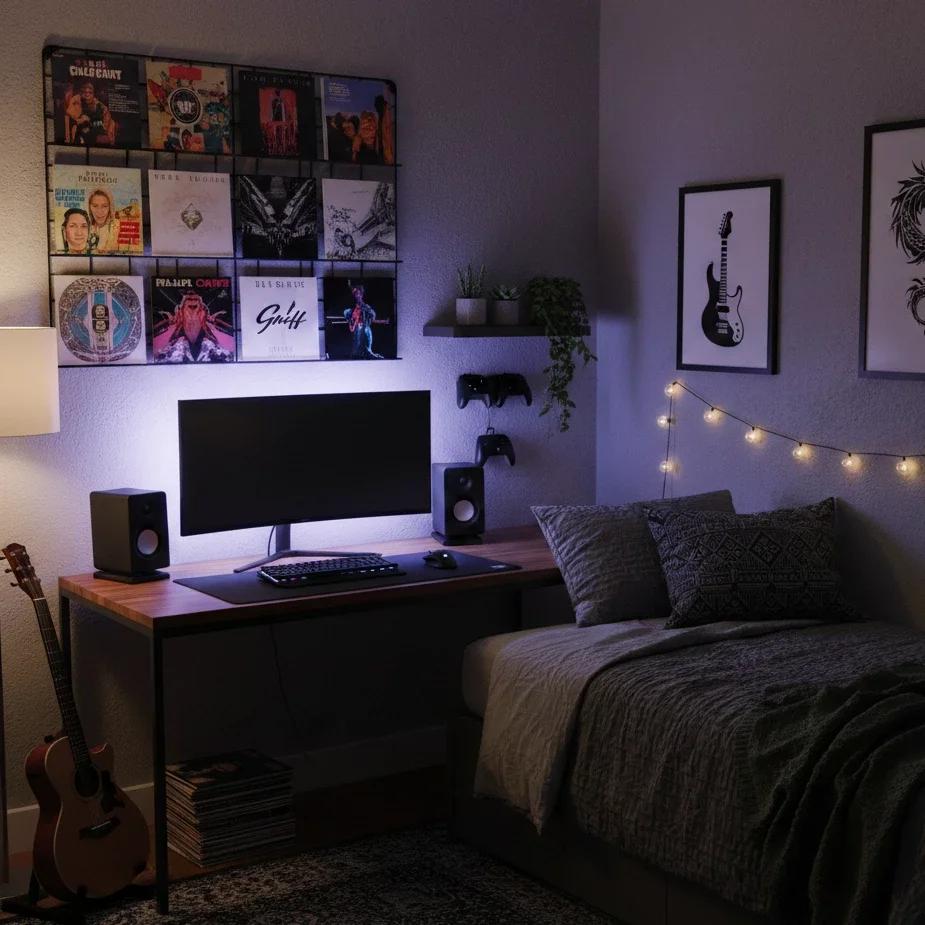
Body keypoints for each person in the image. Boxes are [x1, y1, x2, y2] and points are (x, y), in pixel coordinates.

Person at [64, 80, 117, 146]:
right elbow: (71, 112)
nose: (87, 94)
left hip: (94, 131)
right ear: (81, 92)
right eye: (85, 92)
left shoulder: (96, 102)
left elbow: (105, 113)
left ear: (93, 93)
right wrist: (80, 118)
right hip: (79, 129)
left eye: (90, 92)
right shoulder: (76, 99)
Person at [344, 283, 382, 359]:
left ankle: (368, 351)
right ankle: (356, 354)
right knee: (357, 344)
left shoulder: (365, 306)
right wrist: (351, 321)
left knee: (366, 339)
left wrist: (367, 321)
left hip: (364, 327)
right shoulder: (353, 308)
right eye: (356, 294)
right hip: (356, 328)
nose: (357, 296)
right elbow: (346, 313)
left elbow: (373, 314)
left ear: (361, 295)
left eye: (358, 294)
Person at [87, 188, 119, 253]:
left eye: (104, 206)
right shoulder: (84, 229)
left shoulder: (117, 229)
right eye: (95, 206)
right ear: (89, 207)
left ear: (110, 207)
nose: (99, 211)